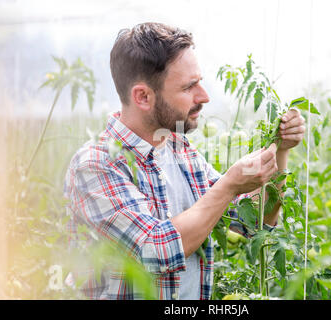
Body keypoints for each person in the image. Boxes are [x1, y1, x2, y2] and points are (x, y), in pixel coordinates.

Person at [63, 22, 306, 300]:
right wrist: (228, 186)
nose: (204, 96)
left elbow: (251, 223)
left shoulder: (178, 148)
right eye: (189, 87)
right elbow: (155, 251)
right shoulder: (96, 164)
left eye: (199, 82)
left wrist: (281, 150)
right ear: (143, 97)